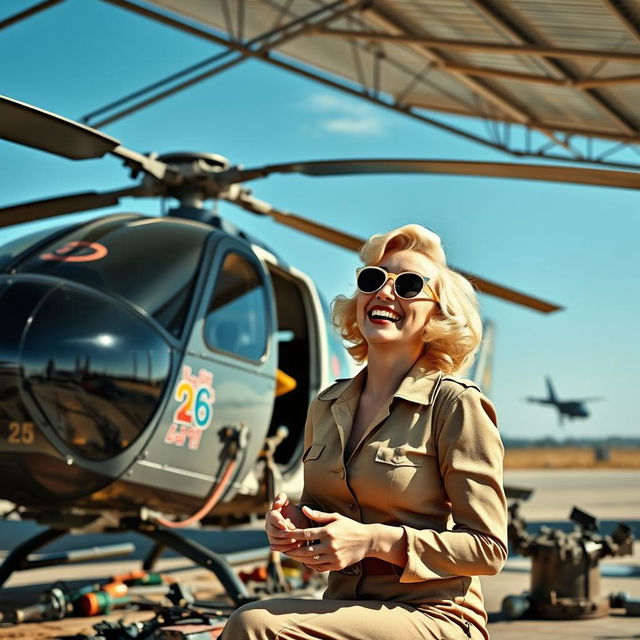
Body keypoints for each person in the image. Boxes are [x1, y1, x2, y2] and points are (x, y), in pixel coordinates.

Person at [222, 224, 508, 640]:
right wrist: (294, 529)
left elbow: (489, 550)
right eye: (373, 280)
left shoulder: (455, 404)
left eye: (409, 285)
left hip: (436, 615)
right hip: (348, 606)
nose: (386, 293)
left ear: (436, 314)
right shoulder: (325, 406)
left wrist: (372, 541)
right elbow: (330, 534)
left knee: (253, 625)